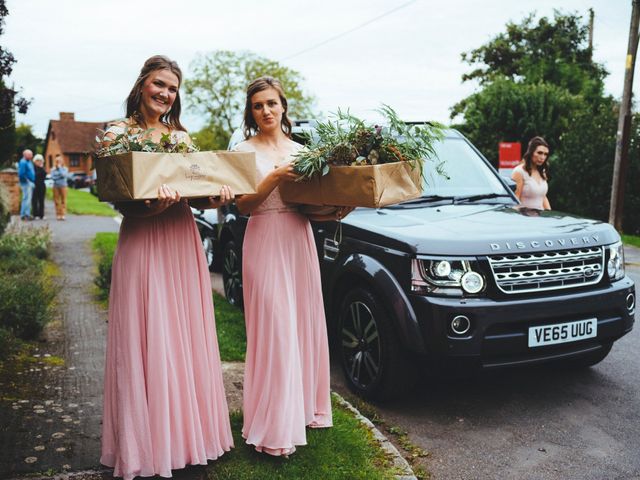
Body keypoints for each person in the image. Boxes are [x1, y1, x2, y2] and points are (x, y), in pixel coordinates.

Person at [100, 55, 234, 480]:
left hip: (180, 239)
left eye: (172, 88)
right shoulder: (117, 134)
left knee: (181, 333)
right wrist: (147, 204)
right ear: (142, 85)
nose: (165, 93)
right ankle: (145, 444)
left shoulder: (181, 137)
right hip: (142, 238)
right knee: (147, 330)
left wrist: (213, 198)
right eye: (159, 84)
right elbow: (116, 191)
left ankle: (186, 436)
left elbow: (194, 192)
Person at [235, 76, 351, 457]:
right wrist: (274, 176)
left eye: (271, 103)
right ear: (251, 113)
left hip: (299, 239)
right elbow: (243, 205)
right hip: (263, 239)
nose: (266, 111)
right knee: (275, 329)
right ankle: (271, 426)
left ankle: (298, 411)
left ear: (283, 106)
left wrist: (335, 209)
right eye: (258, 106)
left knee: (300, 326)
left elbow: (308, 208)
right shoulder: (242, 150)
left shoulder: (302, 151)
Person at [511, 136, 551, 210]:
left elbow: (543, 196)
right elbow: (514, 200)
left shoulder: (542, 171)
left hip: (541, 217)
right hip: (525, 218)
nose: (542, 157)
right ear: (531, 152)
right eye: (539, 153)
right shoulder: (519, 172)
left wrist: (550, 214)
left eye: (545, 154)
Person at [17, 149, 35, 220]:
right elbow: (21, 174)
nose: (32, 156)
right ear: (25, 155)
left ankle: (27, 213)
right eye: (30, 154)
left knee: (28, 199)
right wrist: (28, 181)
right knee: (26, 199)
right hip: (26, 183)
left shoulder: (29, 162)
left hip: (30, 182)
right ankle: (24, 215)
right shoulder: (23, 162)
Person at [50, 155, 69, 220]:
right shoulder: (53, 169)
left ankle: (63, 214)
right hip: (55, 186)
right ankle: (58, 214)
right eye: (57, 161)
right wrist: (60, 176)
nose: (58, 162)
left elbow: (64, 175)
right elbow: (53, 177)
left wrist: (60, 168)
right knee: (56, 201)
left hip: (63, 186)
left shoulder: (65, 168)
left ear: (62, 161)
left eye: (59, 161)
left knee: (63, 200)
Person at [31, 154, 46, 219]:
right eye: (38, 160)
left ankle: (41, 215)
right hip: (35, 185)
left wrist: (41, 168)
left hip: (42, 185)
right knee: (34, 200)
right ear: (34, 161)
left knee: (41, 200)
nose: (39, 162)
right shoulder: (32, 168)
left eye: (40, 160)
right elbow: (35, 175)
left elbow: (44, 175)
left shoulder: (42, 168)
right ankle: (35, 214)